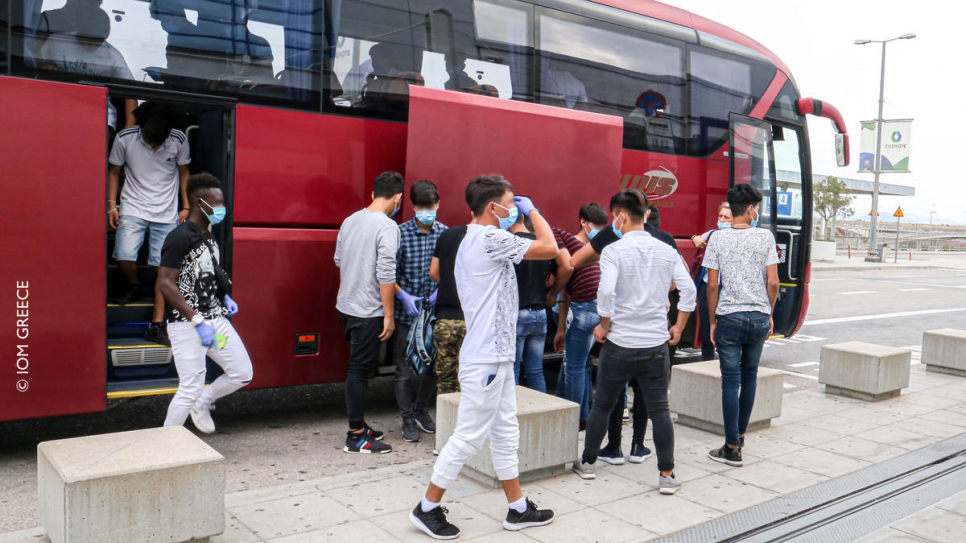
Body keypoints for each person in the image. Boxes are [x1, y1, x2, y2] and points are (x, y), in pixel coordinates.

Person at [410, 175, 558, 539]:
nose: (514, 209)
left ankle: (518, 508)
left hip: (495, 355)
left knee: (506, 430)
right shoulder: (490, 238)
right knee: (469, 436)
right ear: (494, 207)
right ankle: (426, 508)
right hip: (487, 356)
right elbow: (550, 247)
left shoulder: (470, 239)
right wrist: (533, 210)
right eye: (510, 203)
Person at [572, 189, 695, 496]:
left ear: (621, 217)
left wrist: (603, 326)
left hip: (620, 344)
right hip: (655, 345)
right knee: (660, 410)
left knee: (604, 403)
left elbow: (606, 293)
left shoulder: (614, 250)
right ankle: (666, 474)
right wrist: (678, 328)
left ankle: (588, 462)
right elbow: (688, 291)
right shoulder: (666, 249)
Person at [159, 173, 252, 433]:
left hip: (214, 325)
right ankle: (163, 445)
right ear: (201, 204)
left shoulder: (207, 236)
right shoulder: (178, 237)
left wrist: (224, 297)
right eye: (218, 204)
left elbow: (208, 273)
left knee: (242, 373)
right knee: (190, 387)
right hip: (189, 327)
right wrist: (196, 320)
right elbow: (165, 283)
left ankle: (204, 402)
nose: (222, 210)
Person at [704, 184, 780, 467]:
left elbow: (712, 284)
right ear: (750, 209)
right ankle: (742, 435)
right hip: (759, 316)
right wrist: (768, 312)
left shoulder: (717, 240)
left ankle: (731, 446)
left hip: (729, 317)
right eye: (756, 207)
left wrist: (713, 319)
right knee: (749, 377)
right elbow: (773, 282)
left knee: (730, 381)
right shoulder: (765, 237)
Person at [108, 101, 191, 346]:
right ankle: (133, 284)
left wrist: (185, 206)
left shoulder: (178, 139)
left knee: (164, 270)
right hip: (132, 206)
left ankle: (157, 325)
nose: (155, 144)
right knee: (124, 256)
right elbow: (114, 171)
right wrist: (111, 205)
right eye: (151, 139)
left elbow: (184, 173)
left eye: (159, 140)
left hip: (166, 212)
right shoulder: (125, 138)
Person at [335, 171, 405, 455]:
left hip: (346, 306)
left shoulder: (350, 220)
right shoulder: (388, 227)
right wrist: (388, 314)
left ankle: (360, 426)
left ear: (373, 194)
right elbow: (385, 273)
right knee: (359, 371)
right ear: (398, 197)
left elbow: (338, 259)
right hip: (368, 310)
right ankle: (355, 437)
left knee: (358, 368)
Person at [392, 180, 445, 443]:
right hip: (407, 315)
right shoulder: (400, 234)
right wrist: (402, 295)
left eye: (431, 206)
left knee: (432, 367)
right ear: (413, 207)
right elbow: (387, 272)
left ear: (438, 205)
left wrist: (441, 289)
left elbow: (453, 271)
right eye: (422, 207)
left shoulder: (445, 234)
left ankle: (422, 410)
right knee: (404, 371)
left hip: (434, 315)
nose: (427, 211)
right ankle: (406, 419)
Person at [37, 6, 137, 138]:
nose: (91, 46)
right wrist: (47, 68)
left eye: (97, 42)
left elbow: (131, 93)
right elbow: (37, 62)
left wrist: (127, 133)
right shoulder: (57, 42)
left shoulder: (113, 57)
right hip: (58, 108)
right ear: (78, 30)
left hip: (99, 117)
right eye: (87, 40)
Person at [553, 203, 609, 429]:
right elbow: (567, 292)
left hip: (584, 310)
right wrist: (560, 328)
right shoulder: (588, 249)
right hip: (595, 310)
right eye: (595, 226)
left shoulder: (563, 237)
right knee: (583, 365)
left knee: (574, 366)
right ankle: (583, 414)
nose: (598, 232)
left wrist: (551, 291)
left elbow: (565, 271)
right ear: (583, 222)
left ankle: (572, 420)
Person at [509, 215, 572, 392]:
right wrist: (552, 293)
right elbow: (566, 266)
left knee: (512, 372)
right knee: (536, 371)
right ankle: (540, 412)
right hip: (540, 313)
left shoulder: (508, 244)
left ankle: (514, 415)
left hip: (517, 313)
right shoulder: (542, 245)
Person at [690, 202, 733, 361]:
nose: (722, 220)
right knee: (707, 330)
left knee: (726, 332)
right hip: (706, 287)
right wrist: (695, 238)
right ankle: (707, 364)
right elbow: (697, 237)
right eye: (720, 216)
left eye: (726, 217)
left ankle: (726, 365)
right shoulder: (713, 234)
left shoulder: (738, 238)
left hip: (727, 289)